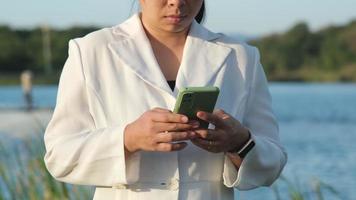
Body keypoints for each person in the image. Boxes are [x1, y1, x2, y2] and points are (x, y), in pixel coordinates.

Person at [44, 0, 287, 199]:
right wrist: (128, 138)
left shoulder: (241, 56)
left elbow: (273, 163)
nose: (177, 3)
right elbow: (59, 157)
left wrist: (240, 143)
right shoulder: (90, 51)